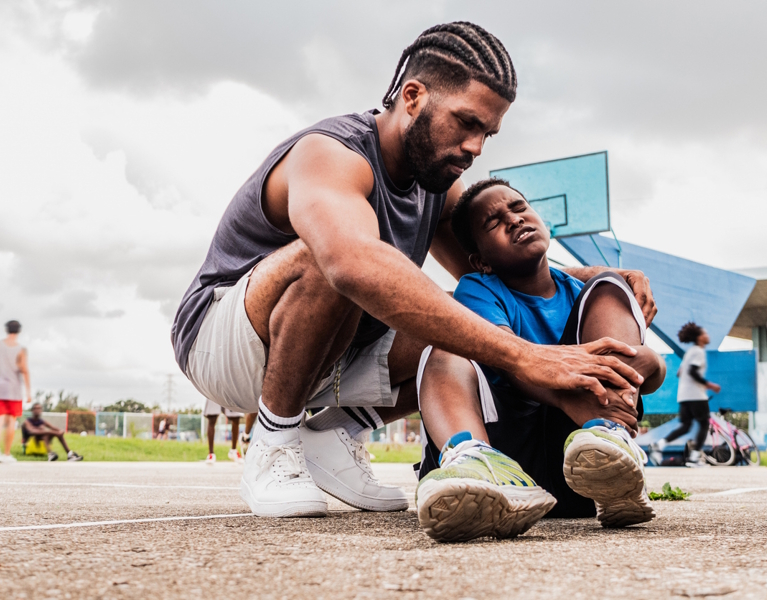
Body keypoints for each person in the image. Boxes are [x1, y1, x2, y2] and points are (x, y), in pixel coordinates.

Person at [171, 22, 657, 519]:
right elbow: (349, 263)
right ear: (413, 96)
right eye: (466, 123)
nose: (475, 148)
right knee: (337, 254)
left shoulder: (435, 183)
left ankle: (336, 434)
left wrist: (600, 278)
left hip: (331, 353)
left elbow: (491, 272)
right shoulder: (332, 154)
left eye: (487, 133)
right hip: (225, 340)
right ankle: (274, 442)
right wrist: (523, 356)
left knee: (465, 315)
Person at [414, 179, 666, 542]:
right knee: (444, 348)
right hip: (510, 456)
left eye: (518, 208)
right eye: (494, 222)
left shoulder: (588, 296)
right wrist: (568, 393)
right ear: (481, 260)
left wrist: (648, 364)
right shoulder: (479, 288)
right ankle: (472, 461)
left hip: (576, 466)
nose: (514, 220)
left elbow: (650, 372)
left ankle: (608, 444)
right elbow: (507, 359)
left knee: (611, 285)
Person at [650, 322, 720, 467]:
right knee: (704, 424)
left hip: (683, 396)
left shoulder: (690, 352)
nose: (708, 336)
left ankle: (659, 445)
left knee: (686, 426)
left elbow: (679, 372)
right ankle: (694, 458)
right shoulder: (698, 352)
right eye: (705, 333)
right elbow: (692, 372)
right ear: (700, 338)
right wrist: (710, 385)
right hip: (696, 395)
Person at [0, 320, 30, 463]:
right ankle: (6, 454)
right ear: (18, 331)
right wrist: (29, 392)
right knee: (12, 419)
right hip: (13, 387)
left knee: (0, 418)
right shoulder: (20, 349)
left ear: (6, 330)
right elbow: (24, 370)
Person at [203, 399, 244, 464]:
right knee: (212, 417)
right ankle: (211, 454)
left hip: (230, 389)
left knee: (236, 417)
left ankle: (233, 451)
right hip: (215, 390)